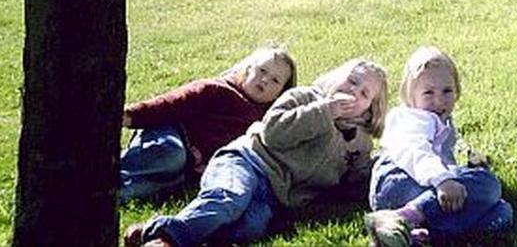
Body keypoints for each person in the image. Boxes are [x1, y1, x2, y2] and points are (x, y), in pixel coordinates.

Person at [125, 56, 387, 247]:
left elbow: (354, 180)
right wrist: (325, 112)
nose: (354, 91)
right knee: (229, 199)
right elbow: (273, 133)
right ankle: (168, 239)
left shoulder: (359, 143)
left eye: (364, 93)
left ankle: (153, 229)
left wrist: (374, 172)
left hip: (274, 194)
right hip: (247, 161)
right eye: (352, 81)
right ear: (336, 76)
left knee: (249, 227)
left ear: (369, 110)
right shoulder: (305, 98)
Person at [364, 46, 513, 247]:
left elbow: (444, 159)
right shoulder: (413, 118)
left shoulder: (440, 119)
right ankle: (404, 217)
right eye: (428, 92)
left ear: (457, 91)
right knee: (488, 184)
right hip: (397, 180)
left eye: (447, 91)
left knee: (502, 213)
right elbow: (416, 151)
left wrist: (465, 170)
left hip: (421, 184)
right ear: (411, 95)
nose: (439, 100)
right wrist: (443, 180)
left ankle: (413, 237)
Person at [120, 44, 297, 203]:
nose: (265, 80)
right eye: (262, 71)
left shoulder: (267, 121)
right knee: (171, 157)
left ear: (280, 93)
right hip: (170, 134)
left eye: (275, 80)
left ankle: (111, 192)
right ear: (248, 68)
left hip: (189, 168)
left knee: (162, 184)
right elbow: (171, 103)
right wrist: (131, 115)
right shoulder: (218, 89)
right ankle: (113, 170)